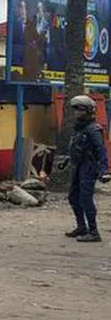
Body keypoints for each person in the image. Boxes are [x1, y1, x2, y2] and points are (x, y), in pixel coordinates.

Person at [60, 94, 110, 242]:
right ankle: (82, 226)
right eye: (76, 110)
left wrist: (104, 170)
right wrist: (67, 160)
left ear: (89, 111)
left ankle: (94, 232)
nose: (77, 113)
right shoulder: (79, 129)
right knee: (73, 197)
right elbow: (78, 148)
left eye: (80, 110)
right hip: (79, 165)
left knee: (85, 198)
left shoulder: (93, 130)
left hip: (89, 167)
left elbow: (100, 150)